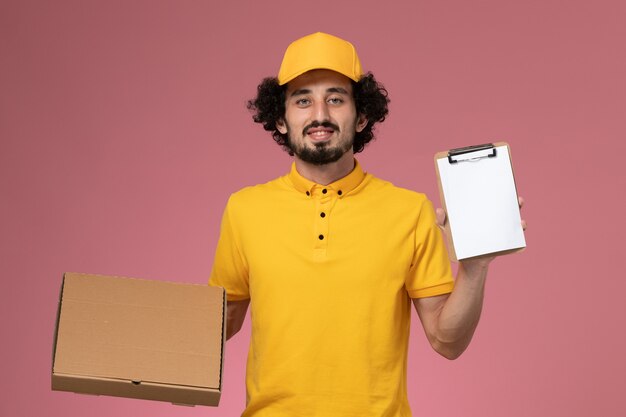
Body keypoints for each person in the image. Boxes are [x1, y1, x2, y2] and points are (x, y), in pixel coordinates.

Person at [209, 32, 524, 417]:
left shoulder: (410, 211)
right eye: (303, 99)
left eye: (336, 98)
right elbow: (218, 326)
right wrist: (134, 329)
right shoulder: (245, 209)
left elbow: (447, 341)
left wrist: (473, 269)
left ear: (360, 117)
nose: (319, 114)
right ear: (280, 117)